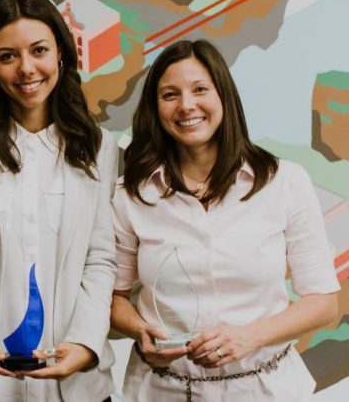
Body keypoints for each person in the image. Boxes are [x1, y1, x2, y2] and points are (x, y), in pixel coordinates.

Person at [110, 39, 339, 401]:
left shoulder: (284, 181)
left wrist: (252, 336)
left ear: (224, 97)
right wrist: (139, 329)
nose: (187, 105)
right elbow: (113, 299)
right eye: (170, 95)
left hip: (265, 390)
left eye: (200, 89)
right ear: (156, 108)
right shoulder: (131, 194)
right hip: (162, 390)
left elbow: (324, 303)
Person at [0, 0, 118, 401]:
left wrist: (86, 343)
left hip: (76, 383)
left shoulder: (99, 147)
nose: (26, 69)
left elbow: (100, 255)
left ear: (61, 55)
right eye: (8, 56)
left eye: (39, 50)